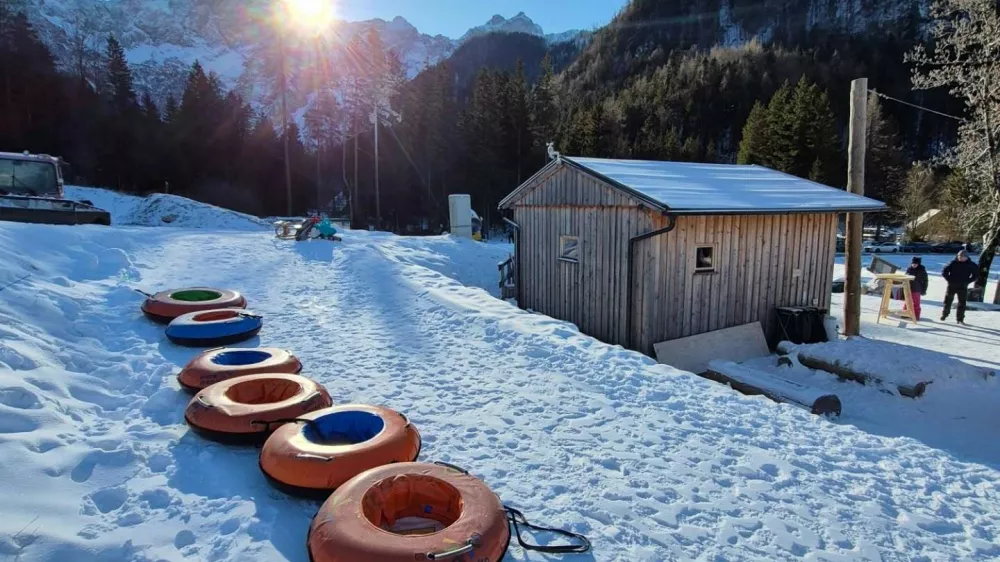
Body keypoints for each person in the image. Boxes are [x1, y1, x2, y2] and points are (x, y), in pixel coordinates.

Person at [941, 250, 979, 324]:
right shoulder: (953, 263)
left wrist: (968, 281)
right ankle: (945, 314)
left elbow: (976, 274)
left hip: (963, 286)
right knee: (948, 301)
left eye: (963, 257)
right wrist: (949, 279)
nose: (961, 258)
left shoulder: (971, 264)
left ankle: (960, 319)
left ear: (966, 257)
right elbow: (944, 271)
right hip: (952, 285)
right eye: (959, 256)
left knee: (962, 303)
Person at [904, 257, 928, 321]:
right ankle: (905, 313)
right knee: (907, 301)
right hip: (908, 287)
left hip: (917, 289)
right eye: (913, 263)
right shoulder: (909, 269)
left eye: (916, 264)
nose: (914, 265)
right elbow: (905, 277)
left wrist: (924, 290)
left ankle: (916, 315)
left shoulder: (922, 270)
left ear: (918, 264)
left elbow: (925, 281)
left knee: (916, 303)